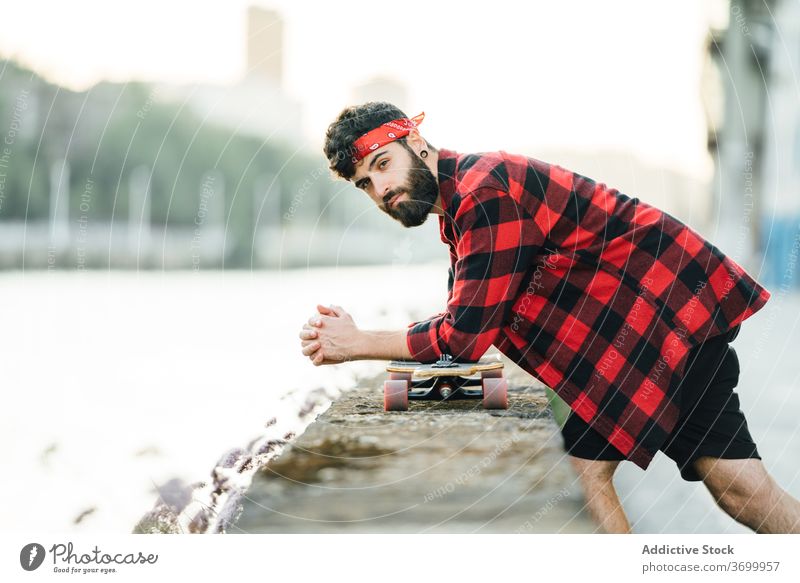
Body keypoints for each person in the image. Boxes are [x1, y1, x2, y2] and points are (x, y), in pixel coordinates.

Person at [297, 101, 800, 533]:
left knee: (740, 492)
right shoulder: (461, 207)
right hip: (634, 342)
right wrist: (408, 388)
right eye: (365, 183)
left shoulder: (482, 192)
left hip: (668, 326)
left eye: (383, 164)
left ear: (416, 141)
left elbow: (464, 336)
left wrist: (356, 342)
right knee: (591, 470)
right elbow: (476, 325)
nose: (380, 189)